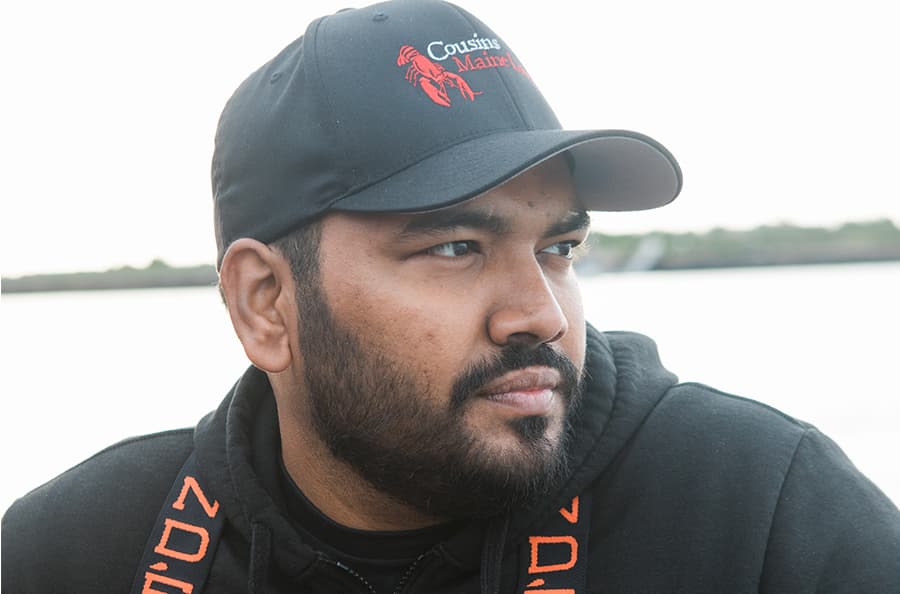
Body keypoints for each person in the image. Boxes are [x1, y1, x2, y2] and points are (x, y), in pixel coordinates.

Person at [3, 0, 899, 592]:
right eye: (456, 248)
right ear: (265, 303)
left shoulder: (762, 516)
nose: (539, 314)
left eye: (558, 248)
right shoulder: (77, 551)